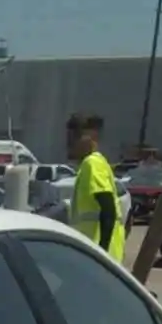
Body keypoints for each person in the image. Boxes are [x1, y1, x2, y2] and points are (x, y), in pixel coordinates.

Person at [64, 112, 126, 264]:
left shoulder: (92, 164)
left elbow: (108, 209)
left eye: (74, 138)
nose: (68, 143)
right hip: (93, 254)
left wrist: (101, 253)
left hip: (99, 256)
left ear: (91, 138)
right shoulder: (89, 165)